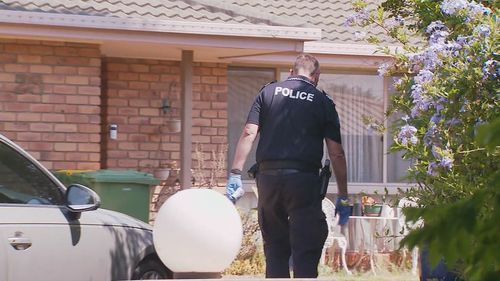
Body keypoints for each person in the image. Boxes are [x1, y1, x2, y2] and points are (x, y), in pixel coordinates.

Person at [226, 53, 349, 278]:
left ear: (291, 72)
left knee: (275, 251)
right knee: (305, 250)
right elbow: (336, 153)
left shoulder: (268, 92)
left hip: (269, 180)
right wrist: (343, 194)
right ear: (316, 76)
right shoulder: (323, 101)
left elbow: (248, 132)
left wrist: (235, 173)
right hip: (303, 183)